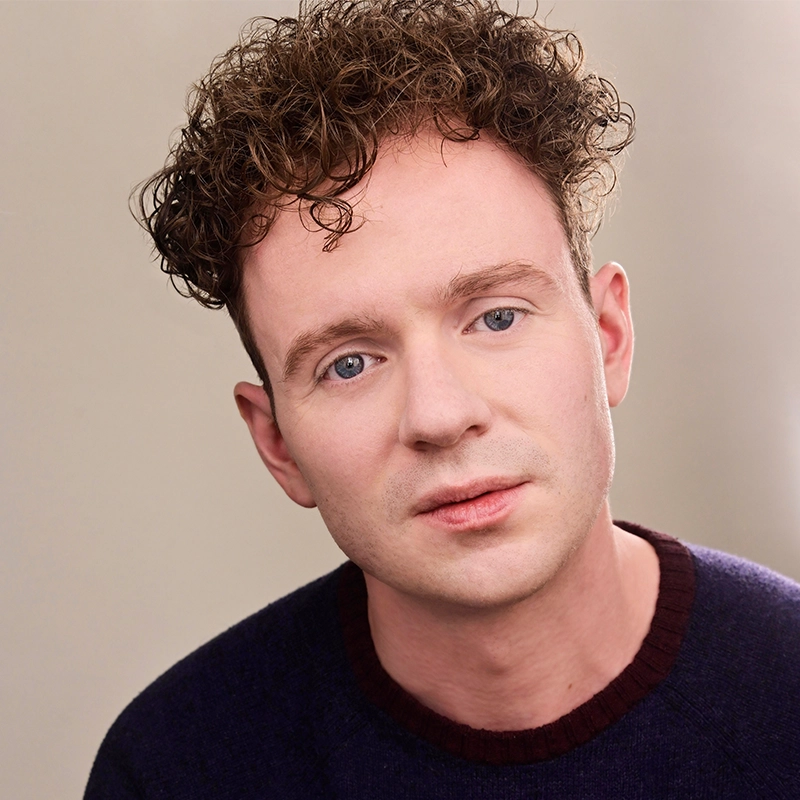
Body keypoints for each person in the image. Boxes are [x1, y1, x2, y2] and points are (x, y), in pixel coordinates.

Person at [84, 0, 800, 796]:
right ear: (277, 444)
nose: (438, 415)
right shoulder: (175, 768)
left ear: (608, 338)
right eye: (350, 364)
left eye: (496, 317)